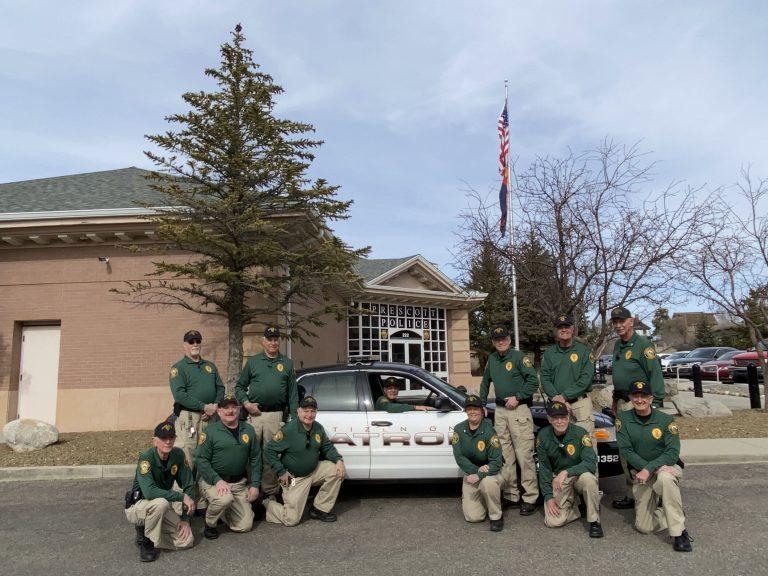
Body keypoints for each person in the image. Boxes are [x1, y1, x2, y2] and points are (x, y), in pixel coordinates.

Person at [616, 380, 692, 551]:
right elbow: (627, 451)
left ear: (651, 399)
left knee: (665, 479)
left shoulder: (666, 420)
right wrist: (646, 469)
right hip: (642, 472)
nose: (640, 399)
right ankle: (672, 513)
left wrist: (650, 468)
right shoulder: (623, 420)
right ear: (630, 398)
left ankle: (679, 532)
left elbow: (672, 452)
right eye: (636, 396)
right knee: (644, 527)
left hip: (666, 468)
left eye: (644, 396)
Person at [478, 325, 540, 514]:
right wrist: (481, 403)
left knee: (524, 455)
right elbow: (485, 381)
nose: (501, 342)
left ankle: (530, 496)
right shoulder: (492, 359)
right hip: (500, 411)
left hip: (518, 410)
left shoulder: (519, 357)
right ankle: (511, 495)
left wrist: (518, 396)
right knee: (506, 456)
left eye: (504, 338)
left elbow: (533, 381)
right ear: (493, 342)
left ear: (509, 340)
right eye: (497, 340)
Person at [609, 307, 665, 509]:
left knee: (647, 448)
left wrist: (656, 403)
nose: (618, 325)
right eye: (615, 322)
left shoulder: (643, 345)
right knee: (627, 451)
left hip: (641, 404)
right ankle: (633, 494)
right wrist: (615, 401)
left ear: (631, 321)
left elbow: (655, 374)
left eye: (621, 321)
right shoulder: (617, 345)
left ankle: (656, 494)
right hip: (623, 404)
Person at [236, 325, 299, 497]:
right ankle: (253, 490)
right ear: (263, 342)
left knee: (272, 454)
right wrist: (247, 404)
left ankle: (270, 492)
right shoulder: (253, 362)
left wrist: (294, 419)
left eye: (276, 339)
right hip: (254, 415)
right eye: (269, 339)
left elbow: (293, 395)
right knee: (251, 453)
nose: (273, 342)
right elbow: (239, 387)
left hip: (276, 416)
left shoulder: (286, 364)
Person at [263, 395, 345, 526]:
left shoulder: (317, 428)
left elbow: (327, 447)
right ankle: (266, 503)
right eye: (306, 411)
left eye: (312, 411)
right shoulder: (289, 430)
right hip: (295, 479)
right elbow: (269, 450)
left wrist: (338, 460)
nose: (309, 414)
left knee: (336, 470)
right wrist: (281, 472)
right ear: (298, 411)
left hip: (313, 471)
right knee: (291, 519)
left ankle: (319, 509)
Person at [125, 421, 196, 562]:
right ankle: (146, 540)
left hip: (160, 507)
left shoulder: (178, 455)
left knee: (187, 540)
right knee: (162, 503)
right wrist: (181, 497)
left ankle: (154, 533)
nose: (168, 441)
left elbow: (189, 485)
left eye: (171, 437)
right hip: (140, 506)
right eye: (164, 438)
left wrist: (185, 520)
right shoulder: (146, 458)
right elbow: (150, 493)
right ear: (155, 441)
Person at [195, 394, 261, 539]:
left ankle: (223, 510)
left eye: (233, 407)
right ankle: (210, 522)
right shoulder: (210, 432)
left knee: (245, 525)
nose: (230, 411)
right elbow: (201, 460)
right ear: (219, 411)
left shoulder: (248, 430)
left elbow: (256, 458)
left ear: (239, 410)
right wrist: (217, 480)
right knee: (224, 499)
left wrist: (255, 485)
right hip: (214, 482)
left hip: (238, 484)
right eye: (226, 408)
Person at [537, 401, 603, 538]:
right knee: (553, 521)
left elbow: (591, 463)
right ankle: (577, 507)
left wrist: (566, 472)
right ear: (549, 419)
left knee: (589, 479)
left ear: (568, 418)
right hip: (559, 480)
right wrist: (548, 497)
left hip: (578, 475)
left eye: (563, 417)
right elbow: (544, 468)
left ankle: (594, 520)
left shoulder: (581, 433)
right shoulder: (543, 436)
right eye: (555, 418)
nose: (560, 422)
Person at [168, 330, 225, 474]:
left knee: (208, 455)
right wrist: (204, 407)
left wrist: (214, 406)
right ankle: (185, 494)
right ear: (184, 345)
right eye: (191, 341)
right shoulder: (178, 368)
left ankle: (205, 493)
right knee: (188, 455)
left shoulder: (210, 366)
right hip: (189, 419)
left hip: (210, 418)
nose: (195, 344)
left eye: (198, 341)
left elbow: (220, 388)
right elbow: (180, 395)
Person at [451, 394, 504, 531]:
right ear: (466, 411)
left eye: (476, 408)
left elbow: (496, 462)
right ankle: (488, 500)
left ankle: (496, 516)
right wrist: (476, 472)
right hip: (471, 474)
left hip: (490, 473)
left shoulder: (489, 431)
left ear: (482, 411)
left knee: (488, 483)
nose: (472, 412)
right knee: (474, 517)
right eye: (469, 408)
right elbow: (459, 457)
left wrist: (480, 475)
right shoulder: (458, 430)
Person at [540, 314, 596, 437]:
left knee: (586, 444)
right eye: (560, 327)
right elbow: (545, 378)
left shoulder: (584, 351)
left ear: (572, 329)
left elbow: (586, 379)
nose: (564, 330)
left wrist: (564, 396)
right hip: (557, 406)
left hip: (580, 406)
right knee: (563, 447)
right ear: (555, 331)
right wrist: (557, 398)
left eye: (567, 326)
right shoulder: (549, 354)